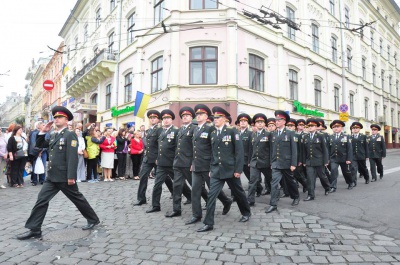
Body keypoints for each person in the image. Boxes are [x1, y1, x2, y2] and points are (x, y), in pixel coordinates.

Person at [16, 106, 100, 240]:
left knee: (77, 199)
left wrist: (71, 176)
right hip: (52, 176)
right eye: (55, 117)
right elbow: (40, 144)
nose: (56, 119)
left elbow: (72, 156)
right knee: (41, 200)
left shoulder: (69, 134)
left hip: (64, 176)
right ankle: (35, 229)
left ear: (66, 120)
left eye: (60, 117)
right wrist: (43, 131)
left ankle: (93, 219)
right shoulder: (54, 134)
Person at [197, 107, 251, 232]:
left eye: (218, 118)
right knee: (211, 196)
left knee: (239, 193)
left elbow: (239, 152)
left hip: (231, 170)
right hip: (217, 170)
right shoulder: (213, 133)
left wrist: (238, 170)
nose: (215, 120)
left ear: (225, 119)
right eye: (214, 118)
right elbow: (213, 153)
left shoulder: (232, 131)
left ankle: (246, 212)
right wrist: (211, 167)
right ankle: (208, 223)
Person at [185, 104, 231, 226]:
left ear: (206, 116)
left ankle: (226, 201)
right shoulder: (195, 129)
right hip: (196, 165)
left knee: (213, 189)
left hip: (208, 166)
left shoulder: (211, 129)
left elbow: (215, 149)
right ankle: (196, 215)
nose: (198, 116)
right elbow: (193, 149)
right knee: (195, 190)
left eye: (201, 114)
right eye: (197, 114)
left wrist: (213, 166)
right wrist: (192, 163)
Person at [146, 109, 191, 214]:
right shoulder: (161, 131)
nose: (166, 120)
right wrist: (157, 158)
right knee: (157, 185)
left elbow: (178, 147)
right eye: (164, 119)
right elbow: (159, 147)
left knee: (179, 183)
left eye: (168, 118)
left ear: (172, 120)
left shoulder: (176, 131)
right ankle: (155, 205)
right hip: (161, 163)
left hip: (172, 163)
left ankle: (189, 196)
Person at [165, 107, 197, 217]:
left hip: (188, 164)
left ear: (192, 117)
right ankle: (176, 210)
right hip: (178, 163)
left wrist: (193, 162)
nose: (185, 117)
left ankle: (212, 200)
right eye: (183, 116)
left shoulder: (194, 129)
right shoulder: (180, 130)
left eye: (187, 116)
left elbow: (195, 148)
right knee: (177, 186)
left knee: (197, 186)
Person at [266, 110, 299, 214]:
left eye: (279, 120)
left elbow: (294, 150)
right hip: (276, 163)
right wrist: (272, 162)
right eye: (276, 120)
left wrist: (293, 163)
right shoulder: (273, 134)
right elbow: (272, 149)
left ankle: (295, 196)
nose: (277, 122)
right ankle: (273, 204)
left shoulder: (290, 133)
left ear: (284, 121)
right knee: (274, 183)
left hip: (287, 163)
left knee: (290, 182)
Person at [134, 110, 164, 206]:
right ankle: (141, 198)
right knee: (143, 177)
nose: (152, 119)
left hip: (156, 158)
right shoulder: (149, 130)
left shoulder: (160, 130)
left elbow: (161, 144)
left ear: (158, 119)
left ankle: (181, 194)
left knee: (166, 178)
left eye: (154, 118)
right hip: (148, 158)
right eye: (151, 118)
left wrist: (159, 157)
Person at [302, 118, 330, 201]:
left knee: (322, 176)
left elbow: (325, 149)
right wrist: (304, 161)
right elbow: (304, 150)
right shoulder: (305, 137)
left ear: (316, 127)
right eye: (309, 126)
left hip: (319, 161)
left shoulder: (320, 136)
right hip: (309, 161)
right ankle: (311, 195)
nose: (310, 127)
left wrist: (326, 161)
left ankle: (327, 187)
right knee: (310, 178)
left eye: (312, 126)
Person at [248, 113, 271, 206]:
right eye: (258, 122)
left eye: (262, 122)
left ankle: (275, 197)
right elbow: (250, 149)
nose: (260, 124)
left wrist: (271, 162)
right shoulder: (252, 135)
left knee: (271, 180)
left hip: (266, 162)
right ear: (255, 124)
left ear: (264, 124)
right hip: (255, 162)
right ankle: (250, 200)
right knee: (252, 181)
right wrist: (249, 161)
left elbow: (271, 149)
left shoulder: (269, 134)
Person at [328, 120, 354, 192]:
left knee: (346, 172)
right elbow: (328, 149)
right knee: (333, 171)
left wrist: (349, 159)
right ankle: (333, 186)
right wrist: (328, 158)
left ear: (341, 128)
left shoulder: (346, 136)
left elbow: (349, 149)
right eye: (334, 127)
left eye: (337, 127)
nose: (336, 128)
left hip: (344, 158)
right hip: (334, 158)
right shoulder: (330, 137)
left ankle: (350, 182)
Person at [29, 121, 49, 186]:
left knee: (43, 165)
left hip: (43, 152)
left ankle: (42, 179)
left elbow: (48, 144)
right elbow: (33, 143)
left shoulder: (47, 134)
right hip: (35, 152)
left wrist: (42, 150)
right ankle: (34, 180)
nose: (44, 126)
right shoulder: (34, 134)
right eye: (43, 125)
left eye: (45, 125)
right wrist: (38, 151)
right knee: (35, 165)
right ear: (39, 126)